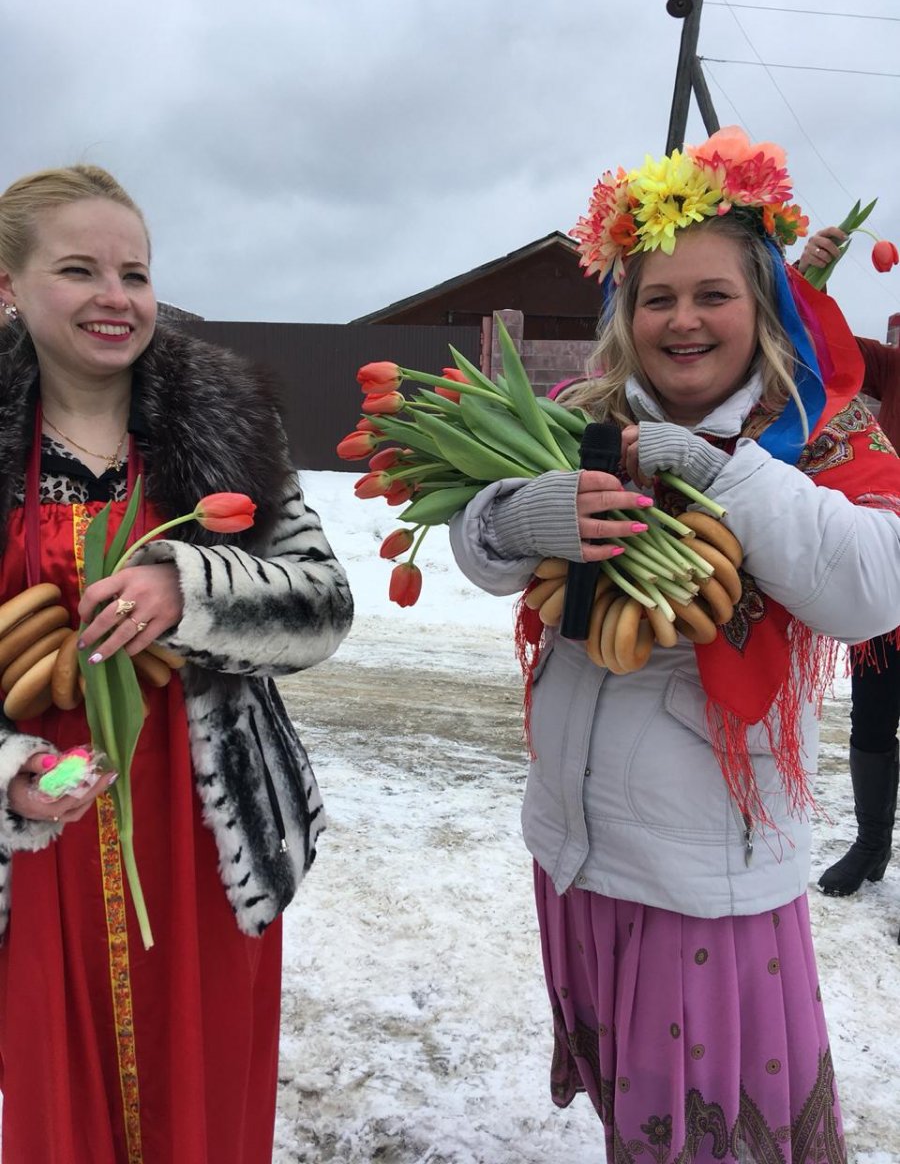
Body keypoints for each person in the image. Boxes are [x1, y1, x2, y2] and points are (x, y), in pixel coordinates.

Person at [449, 129, 900, 1162]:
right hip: (576, 843)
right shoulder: (579, 420)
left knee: (717, 1132)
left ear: (766, 305)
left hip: (711, 877)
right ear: (625, 315)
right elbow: (477, 548)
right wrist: (525, 517)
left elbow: (871, 591)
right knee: (639, 1113)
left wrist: (720, 470)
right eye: (657, 298)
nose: (683, 320)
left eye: (713, 296)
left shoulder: (824, 430)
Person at [0, 165, 353, 1163]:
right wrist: (11, 774)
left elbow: (323, 606)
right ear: (9, 286)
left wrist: (188, 591)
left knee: (203, 1099)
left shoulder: (227, 425)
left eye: (135, 273)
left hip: (207, 834)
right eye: (80, 270)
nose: (117, 298)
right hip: (45, 835)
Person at [796, 227, 900, 900]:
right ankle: (870, 845)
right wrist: (813, 275)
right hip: (889, 570)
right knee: (872, 717)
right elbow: (817, 341)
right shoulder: (893, 368)